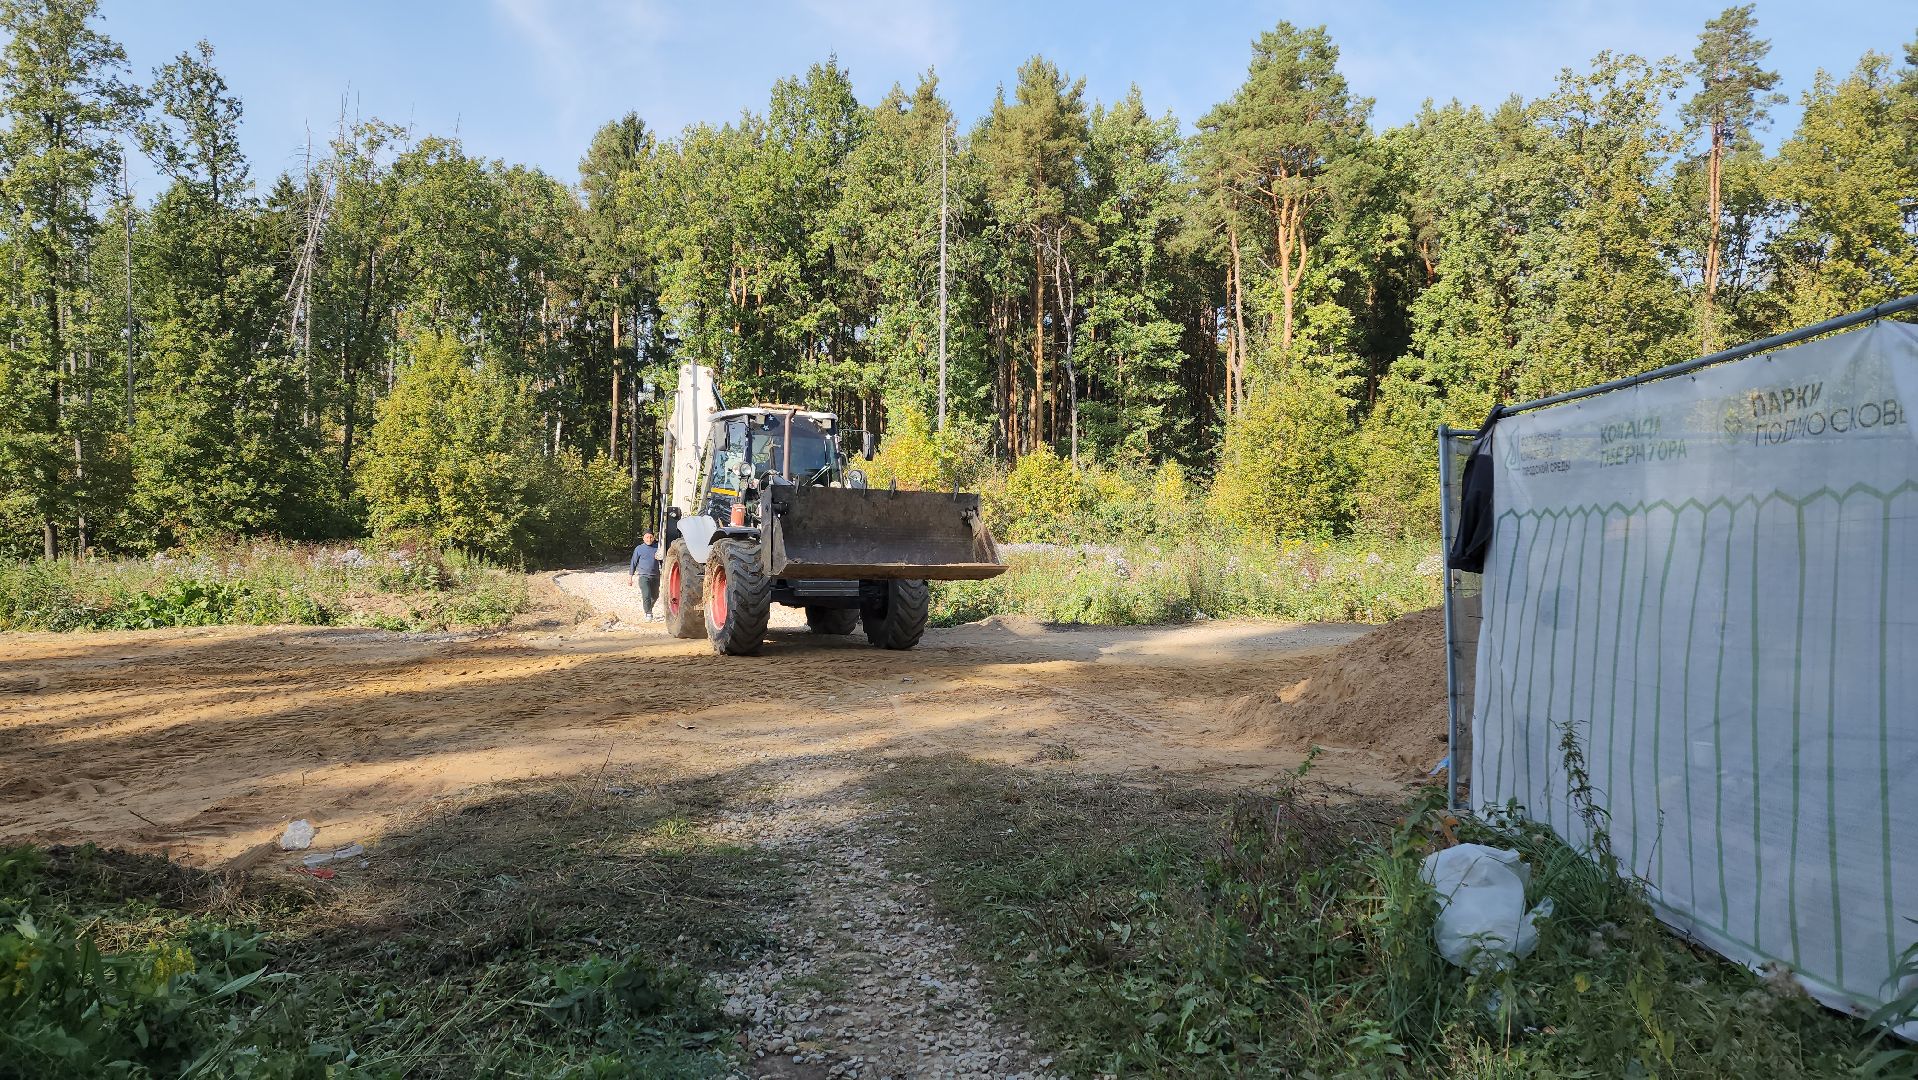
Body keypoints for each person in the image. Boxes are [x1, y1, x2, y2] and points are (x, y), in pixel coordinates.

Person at [627, 532, 660, 620]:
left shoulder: (658, 547)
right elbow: (633, 563)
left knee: (655, 595)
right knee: (646, 595)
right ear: (643, 538)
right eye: (647, 537)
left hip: (656, 576)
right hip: (643, 576)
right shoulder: (639, 549)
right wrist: (630, 577)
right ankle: (648, 613)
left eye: (650, 537)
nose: (649, 539)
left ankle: (649, 607)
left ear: (653, 538)